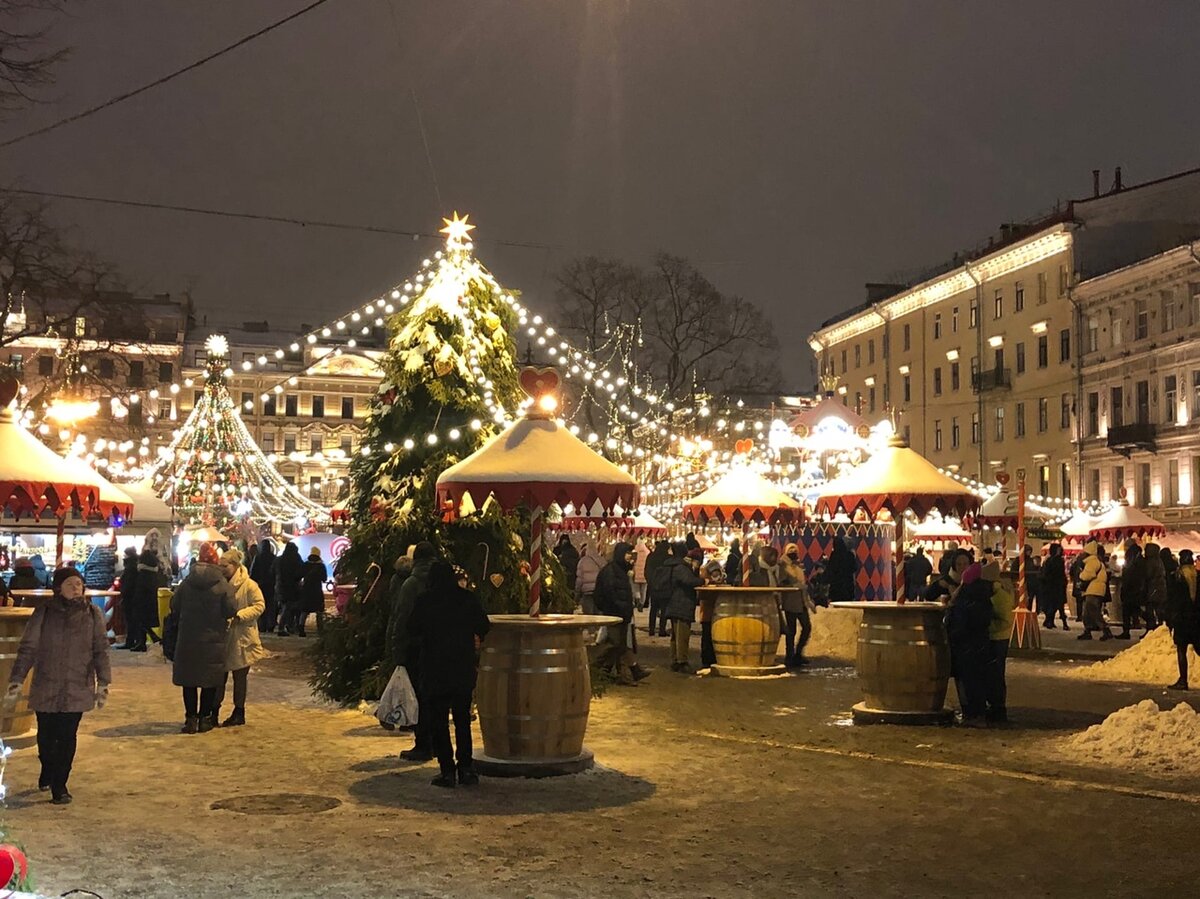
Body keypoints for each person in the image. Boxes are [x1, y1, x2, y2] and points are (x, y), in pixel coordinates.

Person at [5, 567, 110, 804]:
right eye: (70, 584)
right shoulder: (44, 613)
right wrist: (17, 679)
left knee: (67, 736)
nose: (75, 588)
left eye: (78, 584)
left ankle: (60, 784)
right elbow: (28, 648)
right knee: (46, 735)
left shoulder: (92, 614)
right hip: (47, 684)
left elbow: (101, 650)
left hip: (78, 685)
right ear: (58, 588)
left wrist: (104, 682)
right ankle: (48, 768)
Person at [407, 561, 491, 788]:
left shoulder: (425, 601)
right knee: (462, 720)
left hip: (435, 668)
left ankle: (447, 771)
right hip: (461, 667)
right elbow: (484, 625)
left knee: (439, 722)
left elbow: (411, 629)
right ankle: (466, 768)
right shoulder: (466, 599)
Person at [171, 543, 237, 733]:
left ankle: (190, 719)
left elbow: (175, 605)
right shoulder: (222, 584)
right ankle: (204, 719)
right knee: (209, 679)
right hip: (213, 638)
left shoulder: (187, 582)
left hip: (188, 637)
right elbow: (230, 609)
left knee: (189, 679)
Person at [393, 542, 438, 762]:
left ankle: (423, 745)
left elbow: (402, 617)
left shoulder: (411, 584)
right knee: (437, 697)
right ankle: (439, 743)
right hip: (440, 646)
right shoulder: (442, 581)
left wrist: (398, 645)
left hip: (416, 647)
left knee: (420, 696)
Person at [213, 549, 267, 727]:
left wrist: (240, 616)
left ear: (235, 566)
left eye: (225, 566)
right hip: (222, 637)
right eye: (219, 565)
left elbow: (259, 605)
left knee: (239, 677)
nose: (221, 569)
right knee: (218, 677)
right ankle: (214, 710)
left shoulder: (249, 585)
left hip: (241, 637)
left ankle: (239, 711)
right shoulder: (219, 584)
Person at [945, 562, 993, 727]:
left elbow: (959, 623)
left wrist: (950, 633)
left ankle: (973, 715)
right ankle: (977, 713)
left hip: (965, 646)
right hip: (980, 644)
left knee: (968, 681)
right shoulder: (985, 595)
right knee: (977, 680)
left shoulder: (966, 599)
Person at [593, 542, 648, 685]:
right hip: (614, 614)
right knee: (615, 644)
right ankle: (594, 667)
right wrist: (617, 607)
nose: (630, 558)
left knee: (620, 645)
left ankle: (616, 672)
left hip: (621, 614)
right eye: (628, 554)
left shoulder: (621, 571)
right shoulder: (612, 572)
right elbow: (610, 593)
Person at [983, 560, 1015, 723]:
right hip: (998, 637)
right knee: (994, 673)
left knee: (995, 674)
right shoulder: (999, 593)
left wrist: (987, 627)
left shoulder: (999, 596)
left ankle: (998, 707)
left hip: (998, 638)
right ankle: (996, 705)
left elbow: (1004, 620)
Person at [663, 542, 704, 672]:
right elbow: (689, 581)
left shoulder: (671, 564)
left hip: (673, 603)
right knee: (682, 634)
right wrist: (703, 581)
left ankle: (675, 659)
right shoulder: (680, 567)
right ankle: (682, 661)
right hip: (682, 603)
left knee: (675, 635)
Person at [129, 528, 170, 652]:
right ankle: (147, 640)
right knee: (145, 618)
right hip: (152, 590)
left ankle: (152, 638)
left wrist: (142, 567)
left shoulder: (148, 555)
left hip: (146, 590)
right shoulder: (160, 557)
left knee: (142, 617)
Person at [1166, 549, 1199, 690]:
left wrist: (1170, 619)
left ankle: (1183, 680)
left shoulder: (1176, 578)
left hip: (1181, 619)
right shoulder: (1198, 577)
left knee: (1181, 649)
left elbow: (1172, 600)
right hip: (1197, 618)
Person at [1076, 541, 1113, 640]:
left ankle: (1105, 630)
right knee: (1088, 612)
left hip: (1093, 590)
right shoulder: (1097, 561)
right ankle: (1088, 631)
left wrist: (1080, 575)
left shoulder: (1092, 561)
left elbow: (1087, 575)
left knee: (1093, 611)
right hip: (1097, 590)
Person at [1116, 543, 1146, 640]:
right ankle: (1127, 630)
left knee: (1130, 610)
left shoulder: (1134, 563)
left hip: (1132, 590)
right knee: (1133, 610)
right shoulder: (1138, 562)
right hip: (1132, 590)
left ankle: (1126, 631)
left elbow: (1131, 577)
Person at [296, 547, 328, 637]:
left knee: (304, 611)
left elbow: (299, 575)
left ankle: (301, 629)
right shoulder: (321, 566)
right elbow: (324, 578)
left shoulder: (305, 564)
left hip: (306, 590)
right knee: (319, 611)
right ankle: (320, 630)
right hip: (317, 590)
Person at [274, 542, 303, 636]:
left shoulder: (279, 559)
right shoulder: (296, 559)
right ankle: (283, 627)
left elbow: (272, 571)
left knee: (285, 607)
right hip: (292, 587)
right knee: (288, 608)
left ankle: (287, 626)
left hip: (280, 586)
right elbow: (300, 572)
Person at [249, 539, 277, 633]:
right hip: (271, 585)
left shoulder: (258, 557)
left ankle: (262, 625)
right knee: (270, 605)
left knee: (261, 605)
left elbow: (253, 572)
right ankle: (270, 624)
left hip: (260, 585)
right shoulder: (273, 557)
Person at [644, 540, 671, 636]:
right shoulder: (668, 558)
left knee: (653, 609)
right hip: (665, 587)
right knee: (664, 610)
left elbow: (646, 571)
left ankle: (651, 630)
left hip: (653, 587)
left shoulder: (651, 556)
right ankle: (661, 630)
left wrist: (651, 583)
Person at [113, 548, 138, 649]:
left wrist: (123, 594)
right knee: (132, 620)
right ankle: (133, 641)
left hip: (129, 598)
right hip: (132, 598)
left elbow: (128, 585)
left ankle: (130, 642)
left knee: (130, 620)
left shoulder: (130, 568)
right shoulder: (134, 566)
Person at [1040, 544, 1069, 629]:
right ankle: (1053, 621)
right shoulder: (1054, 560)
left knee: (1056, 604)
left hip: (1055, 585)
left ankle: (1050, 621)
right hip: (1054, 585)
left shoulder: (1053, 560)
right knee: (1056, 605)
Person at [574, 542, 602, 615]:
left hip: (587, 593)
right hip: (598, 592)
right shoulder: (601, 560)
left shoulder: (582, 561)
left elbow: (579, 580)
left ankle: (590, 627)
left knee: (588, 616)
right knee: (598, 617)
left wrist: (577, 594)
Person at [826, 537, 856, 603]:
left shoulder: (834, 555)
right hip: (848, 586)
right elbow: (854, 568)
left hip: (836, 587)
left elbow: (830, 570)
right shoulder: (850, 555)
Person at [1144, 543, 1166, 629]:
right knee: (1158, 610)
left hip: (1153, 588)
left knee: (1151, 609)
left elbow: (1148, 574)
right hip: (1158, 588)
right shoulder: (1159, 561)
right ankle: (1158, 627)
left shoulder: (1151, 562)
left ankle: (1152, 628)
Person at [631, 538, 650, 612]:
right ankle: (641, 603)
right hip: (644, 574)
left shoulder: (634, 551)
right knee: (644, 590)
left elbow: (632, 562)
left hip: (636, 573)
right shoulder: (647, 552)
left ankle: (638, 599)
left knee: (636, 589)